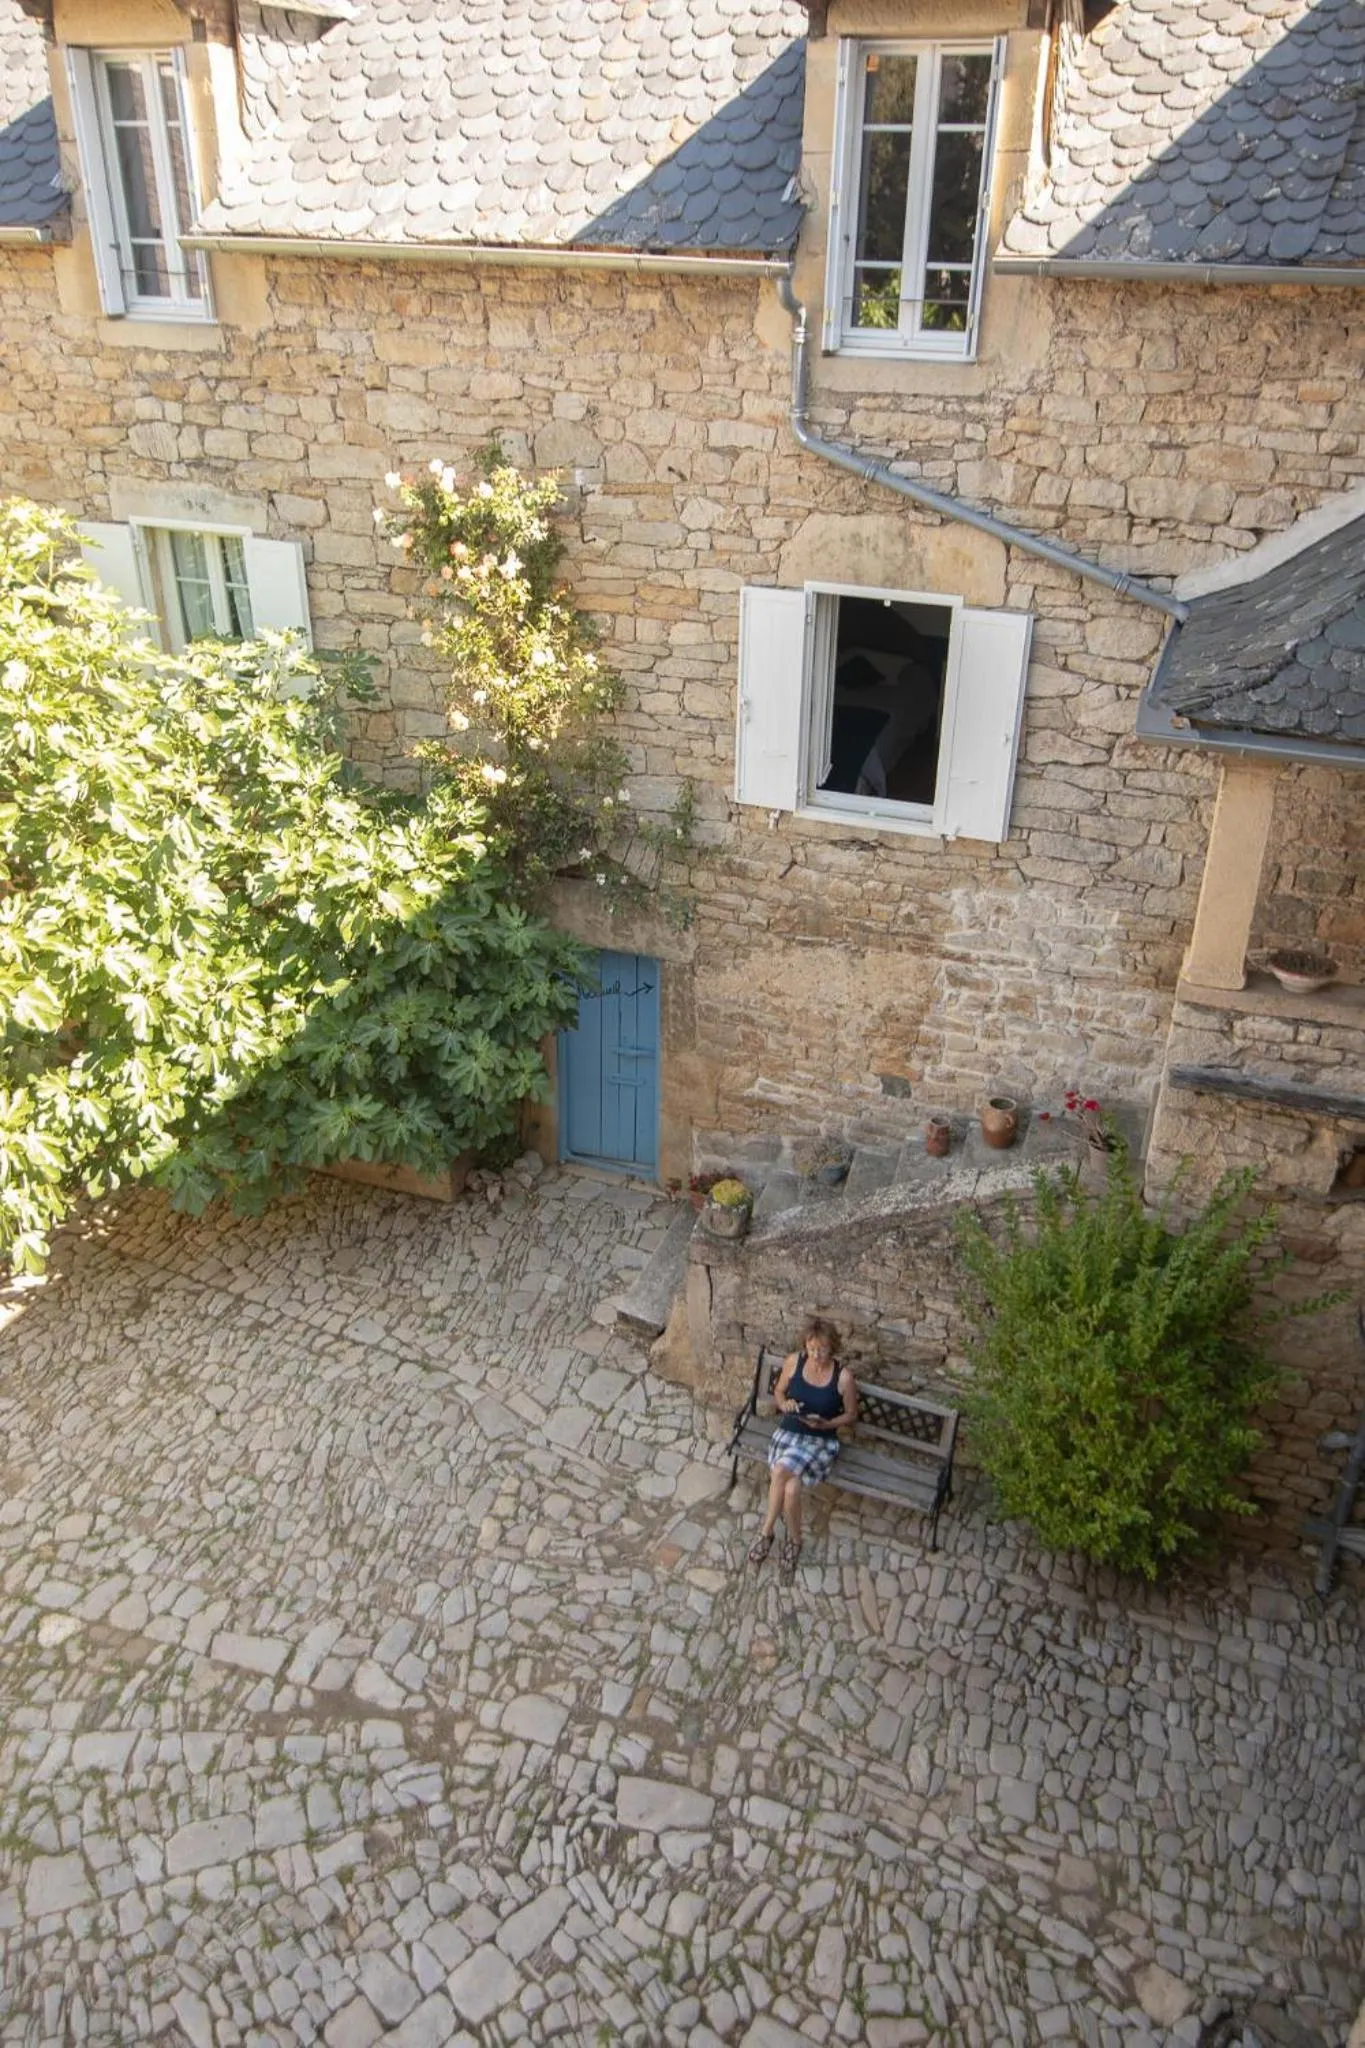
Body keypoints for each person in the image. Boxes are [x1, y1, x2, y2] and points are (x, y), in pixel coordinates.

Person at [748, 1318, 858, 1580]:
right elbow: (779, 1391)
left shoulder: (843, 1377)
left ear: (832, 1347)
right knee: (791, 1487)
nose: (816, 1355)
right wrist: (784, 1404)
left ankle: (766, 1532)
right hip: (789, 1433)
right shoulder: (794, 1362)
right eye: (811, 1349)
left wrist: (827, 1423)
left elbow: (852, 1414)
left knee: (780, 1471)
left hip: (819, 1441)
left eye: (821, 1349)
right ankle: (795, 1541)